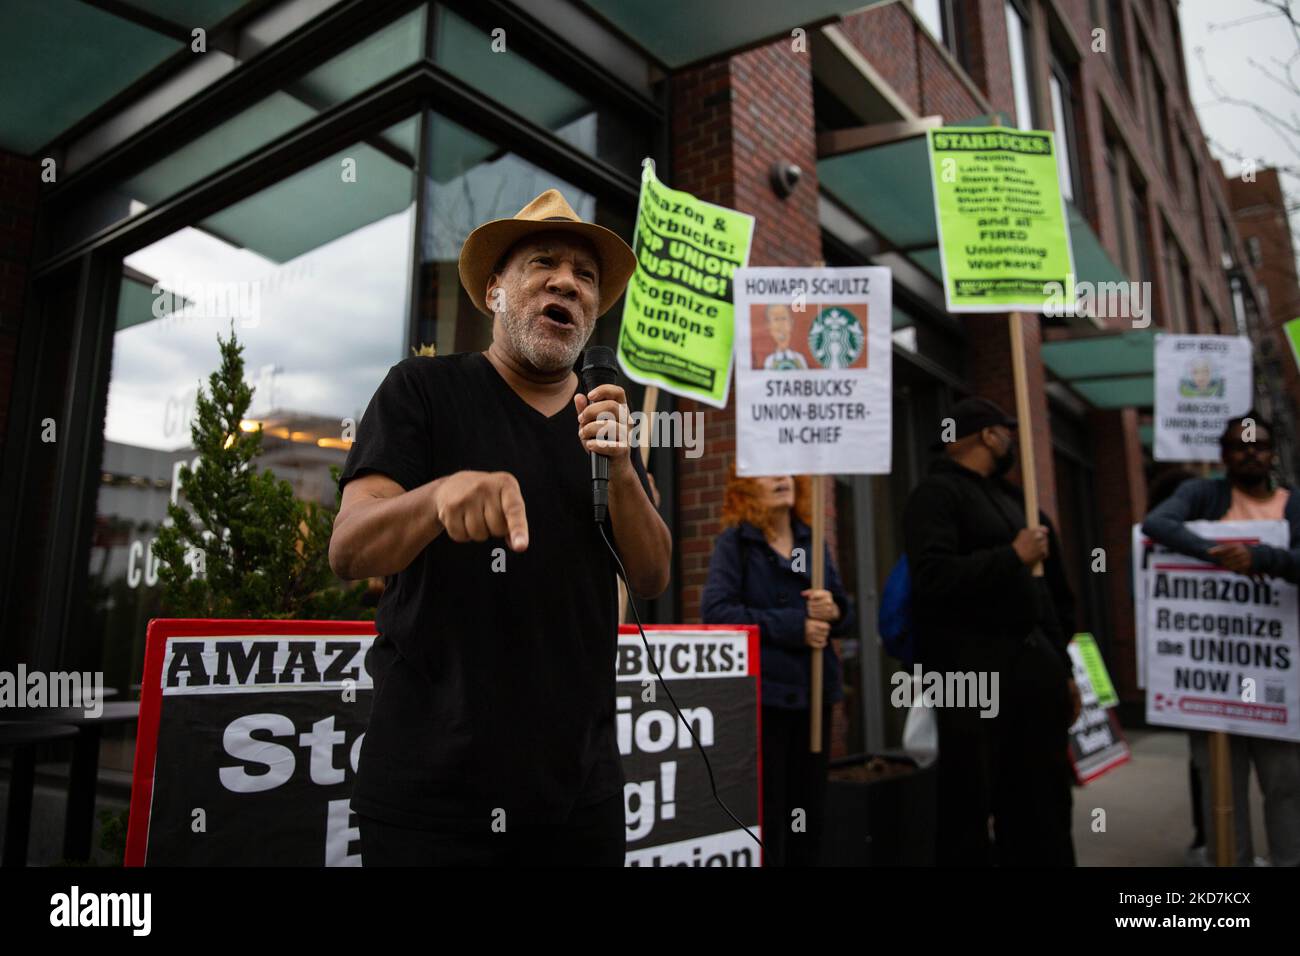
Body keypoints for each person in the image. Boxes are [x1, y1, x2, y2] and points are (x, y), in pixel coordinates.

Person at [328, 189, 672, 866]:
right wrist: (436, 500)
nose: (567, 282)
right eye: (543, 262)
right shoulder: (421, 390)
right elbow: (348, 548)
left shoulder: (608, 433)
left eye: (586, 276)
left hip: (582, 799)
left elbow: (655, 574)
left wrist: (622, 467)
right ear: (493, 291)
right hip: (436, 802)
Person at [902, 397, 1079, 867]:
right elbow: (932, 578)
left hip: (1035, 678)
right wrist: (1011, 557)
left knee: (1044, 803)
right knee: (969, 805)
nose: (1011, 442)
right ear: (988, 435)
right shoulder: (935, 496)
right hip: (971, 682)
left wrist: (1063, 670)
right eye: (1007, 431)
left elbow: (1053, 598)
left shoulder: (1020, 501)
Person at [1141, 412, 1300, 867]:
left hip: (1276, 678)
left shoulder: (1294, 504)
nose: (1250, 452)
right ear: (1222, 455)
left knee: (1285, 783)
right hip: (1213, 678)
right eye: (1239, 445)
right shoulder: (1203, 495)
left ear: (1272, 452)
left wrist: (1261, 558)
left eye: (1259, 444)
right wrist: (1218, 556)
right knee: (1220, 788)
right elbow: (1158, 524)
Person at [700, 468, 855, 866]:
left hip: (814, 697)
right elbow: (718, 614)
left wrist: (833, 609)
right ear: (746, 487)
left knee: (810, 813)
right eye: (768, 474)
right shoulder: (737, 544)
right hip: (763, 701)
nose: (781, 478)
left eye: (785, 472)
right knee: (771, 815)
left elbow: (844, 613)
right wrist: (794, 626)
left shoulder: (809, 537)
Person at [761, 303, 809, 370]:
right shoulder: (769, 361)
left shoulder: (799, 359)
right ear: (769, 326)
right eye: (776, 319)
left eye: (784, 318)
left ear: (791, 323)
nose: (781, 324)